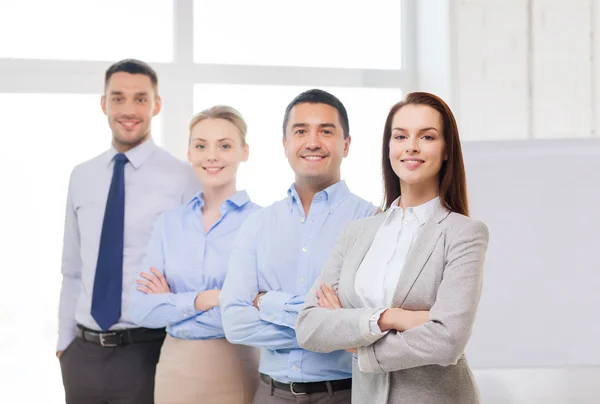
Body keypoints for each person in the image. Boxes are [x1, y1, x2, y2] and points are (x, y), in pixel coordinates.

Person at [295, 92, 490, 404]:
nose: (411, 145)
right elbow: (308, 326)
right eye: (400, 136)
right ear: (389, 148)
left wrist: (355, 341)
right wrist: (389, 318)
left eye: (427, 136)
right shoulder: (356, 232)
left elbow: (447, 340)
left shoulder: (464, 233)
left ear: (446, 151)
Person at [220, 89, 378, 404]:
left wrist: (268, 303)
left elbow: (369, 323)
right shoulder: (257, 225)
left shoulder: (373, 222)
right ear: (285, 144)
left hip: (345, 395)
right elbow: (235, 322)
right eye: (301, 131)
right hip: (270, 394)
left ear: (346, 145)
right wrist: (326, 326)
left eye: (326, 131)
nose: (312, 141)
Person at [57, 59, 200, 404]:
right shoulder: (82, 176)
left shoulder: (183, 178)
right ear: (104, 103)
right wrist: (64, 345)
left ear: (157, 104)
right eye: (118, 98)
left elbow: (195, 268)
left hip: (147, 350)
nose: (129, 109)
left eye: (140, 98)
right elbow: (72, 269)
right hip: (82, 354)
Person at [129, 105, 261, 404]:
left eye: (224, 146)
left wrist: (171, 303)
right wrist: (208, 298)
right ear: (189, 152)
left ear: (244, 151)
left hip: (234, 366)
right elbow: (140, 309)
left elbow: (253, 314)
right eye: (201, 145)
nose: (211, 156)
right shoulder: (169, 222)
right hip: (174, 368)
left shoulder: (262, 223)